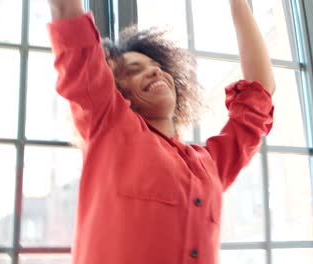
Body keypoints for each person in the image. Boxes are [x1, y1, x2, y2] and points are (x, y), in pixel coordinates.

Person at [46, 0, 275, 263]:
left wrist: (238, 3)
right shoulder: (109, 126)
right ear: (117, 91)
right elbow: (66, 13)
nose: (154, 70)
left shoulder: (209, 166)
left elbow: (261, 92)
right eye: (134, 70)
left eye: (158, 67)